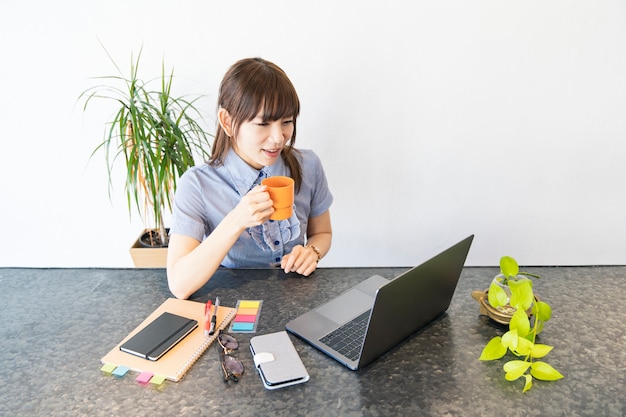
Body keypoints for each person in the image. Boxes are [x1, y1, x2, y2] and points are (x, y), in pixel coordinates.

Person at [166, 58, 333, 299]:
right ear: (228, 122)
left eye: (287, 122)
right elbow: (179, 284)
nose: (278, 137)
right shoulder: (196, 184)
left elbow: (323, 233)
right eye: (263, 123)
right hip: (233, 302)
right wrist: (236, 220)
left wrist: (312, 252)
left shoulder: (309, 165)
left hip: (298, 298)